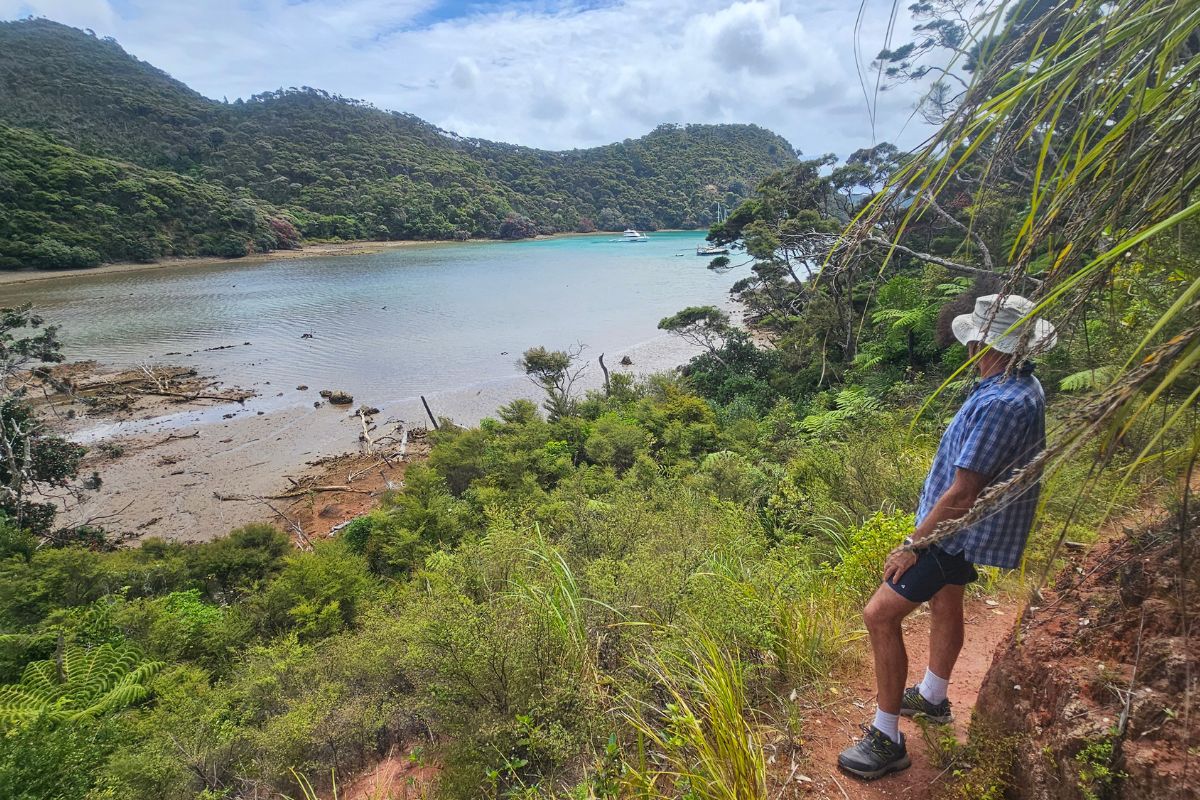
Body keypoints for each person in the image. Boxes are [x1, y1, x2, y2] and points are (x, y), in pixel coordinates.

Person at [837, 293, 1058, 780]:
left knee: (878, 615)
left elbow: (963, 492)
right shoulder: (1016, 386)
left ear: (982, 341)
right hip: (962, 531)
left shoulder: (1001, 402)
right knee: (946, 600)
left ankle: (886, 737)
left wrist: (913, 544)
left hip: (953, 534)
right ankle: (934, 698)